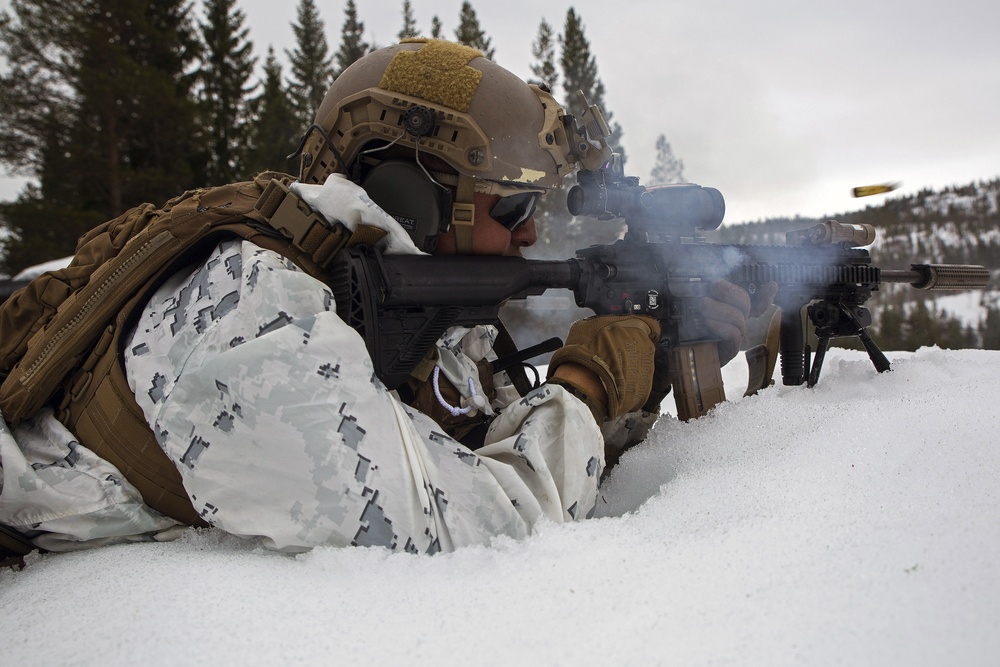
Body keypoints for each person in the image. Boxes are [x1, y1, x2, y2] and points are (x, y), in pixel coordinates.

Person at [0, 39, 766, 557]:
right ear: (414, 200)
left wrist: (653, 363)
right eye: (512, 209)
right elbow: (480, 535)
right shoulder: (248, 313)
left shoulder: (389, 309)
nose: (532, 237)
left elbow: (466, 446)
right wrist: (592, 379)